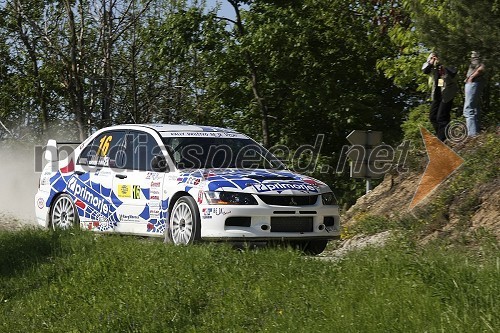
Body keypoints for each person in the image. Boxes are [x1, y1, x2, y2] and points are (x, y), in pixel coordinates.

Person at [422, 52, 459, 142]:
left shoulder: (448, 57)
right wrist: (432, 62)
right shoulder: (431, 57)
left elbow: (453, 72)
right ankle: (443, 135)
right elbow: (425, 70)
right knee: (433, 116)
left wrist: (443, 62)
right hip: (437, 92)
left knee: (442, 117)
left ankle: (442, 140)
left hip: (447, 92)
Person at [463, 51, 486, 137]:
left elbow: (483, 67)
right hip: (474, 81)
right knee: (475, 108)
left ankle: (472, 136)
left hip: (474, 81)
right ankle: (476, 133)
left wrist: (472, 77)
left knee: (468, 109)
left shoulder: (481, 46)